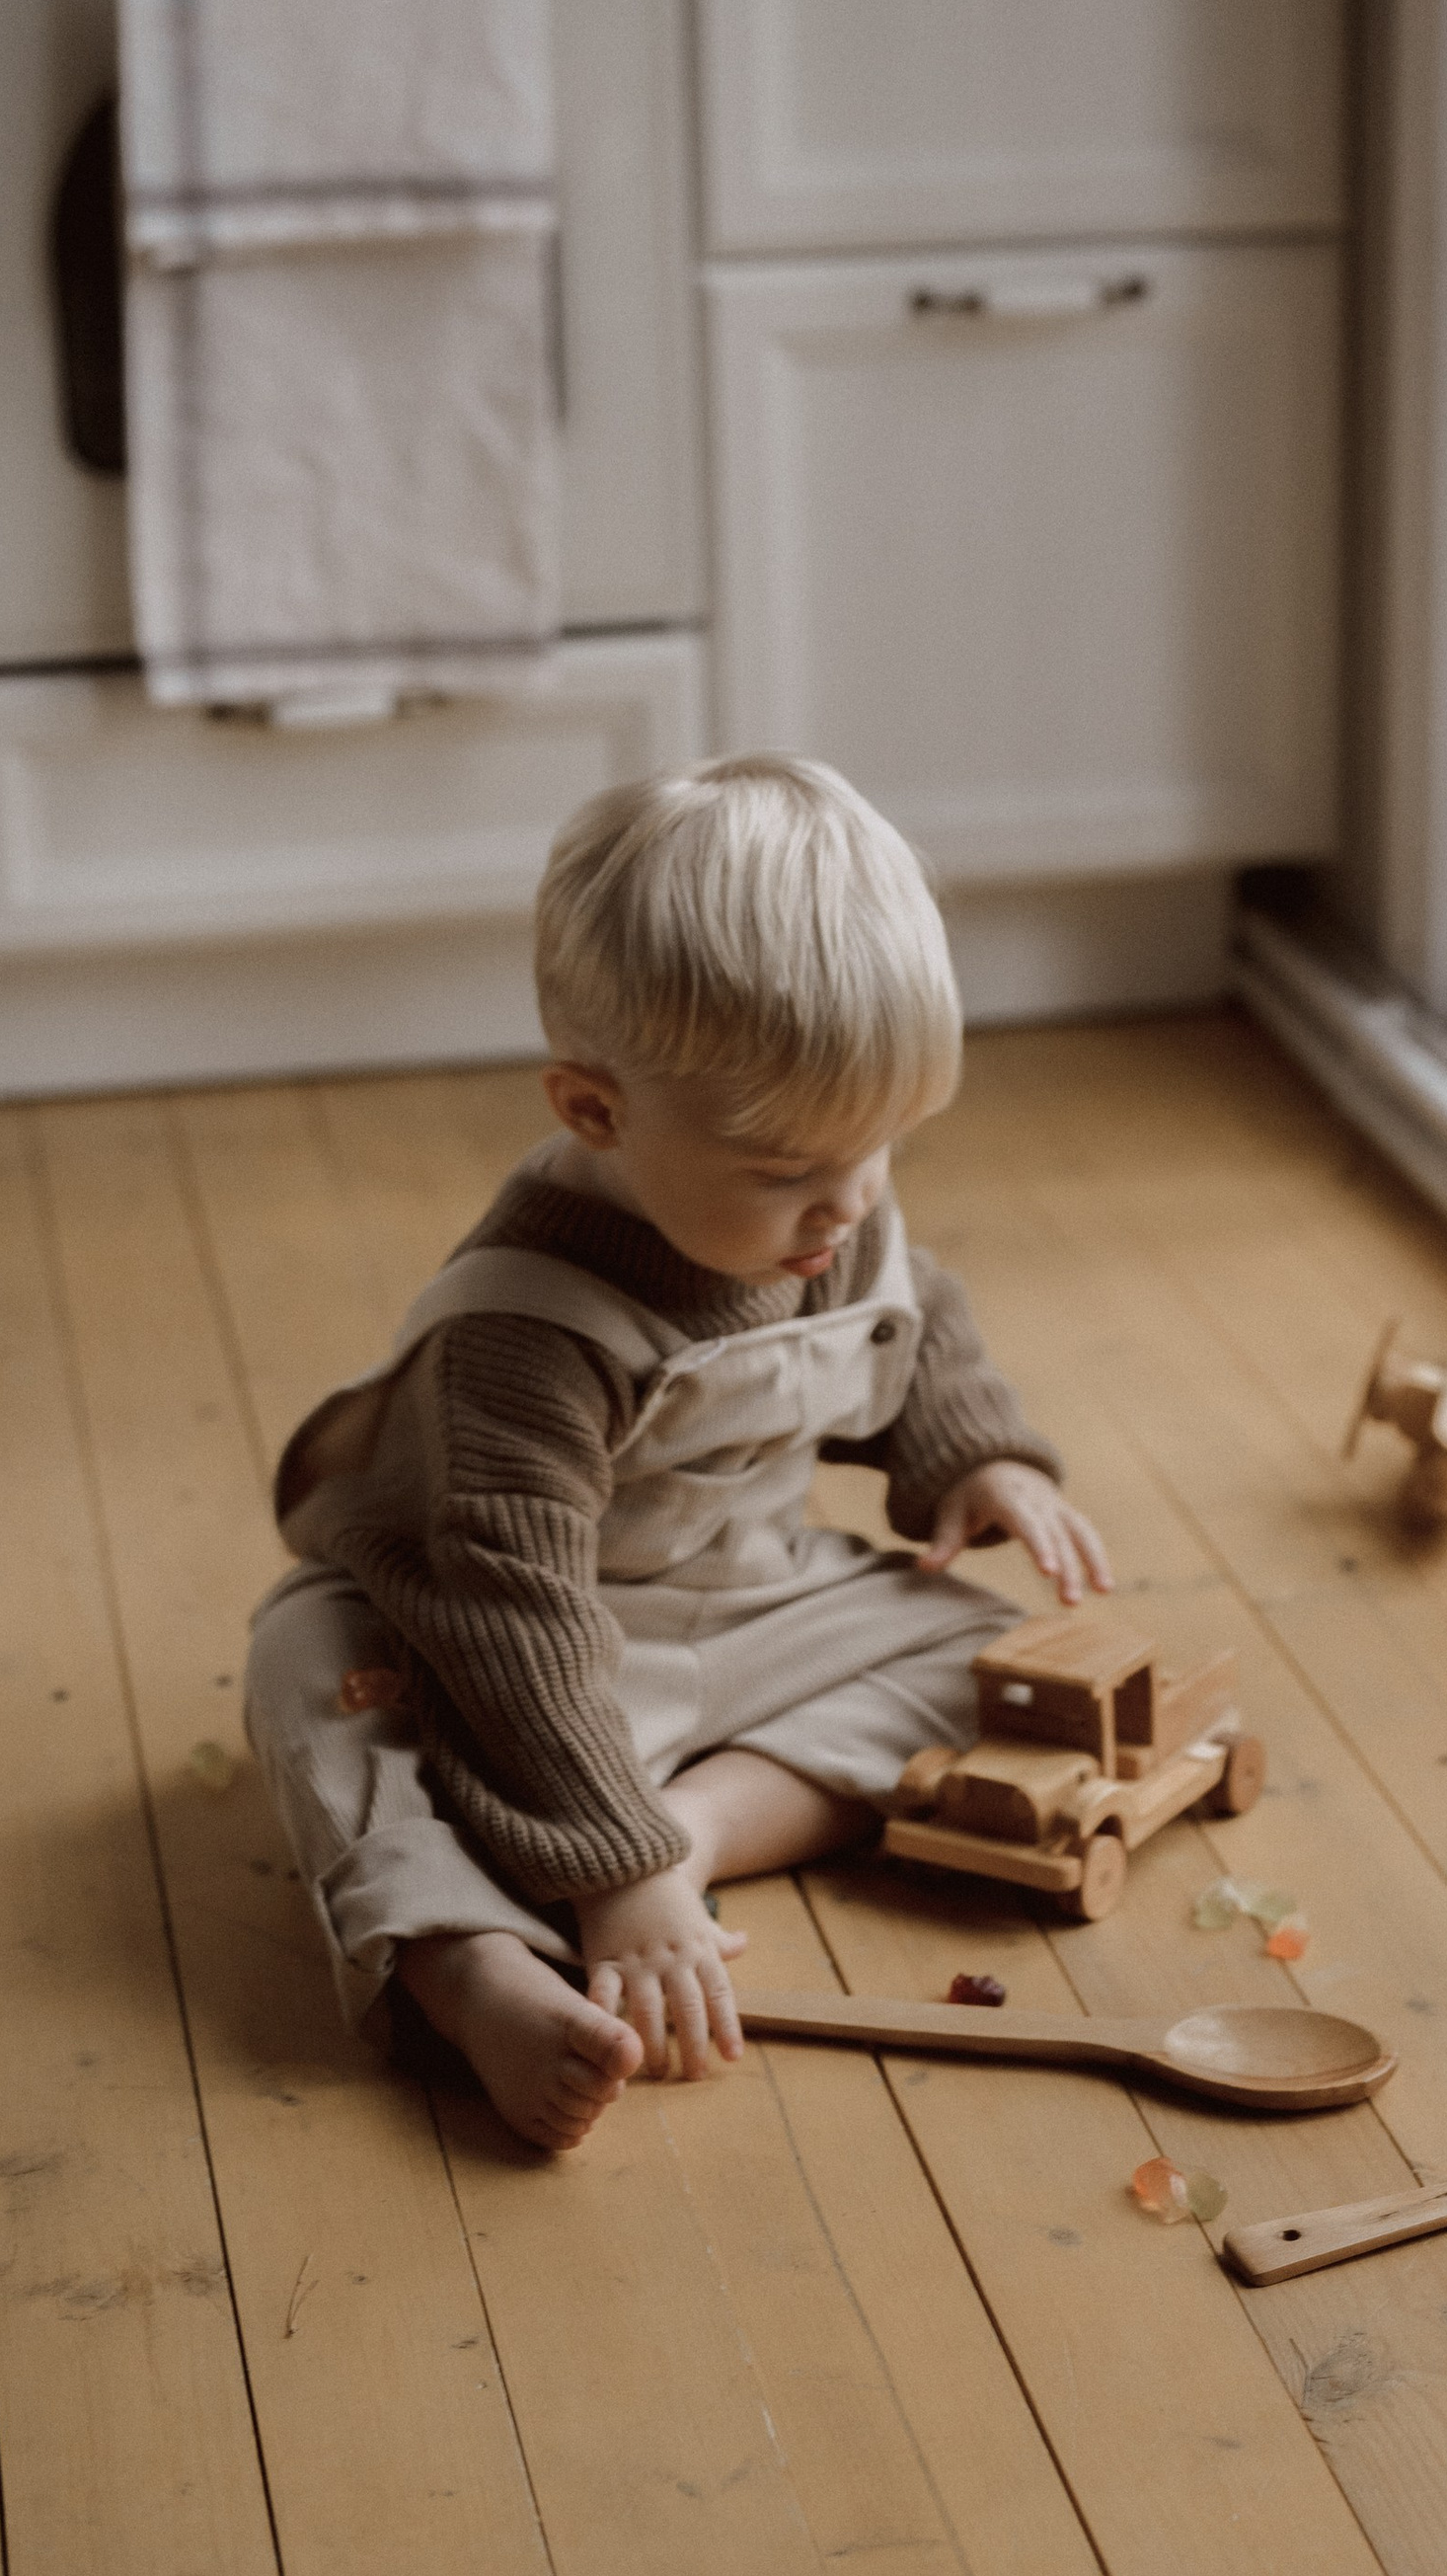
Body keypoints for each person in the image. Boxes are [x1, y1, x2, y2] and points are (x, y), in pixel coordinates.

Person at [244, 753, 1110, 2152]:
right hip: (505, 1641)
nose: (846, 1203)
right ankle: (469, 1969)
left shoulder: (823, 1198)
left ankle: (704, 1821)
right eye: (787, 1174)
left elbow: (915, 1318)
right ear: (594, 1111)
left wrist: (973, 1459)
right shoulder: (522, 1334)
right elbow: (519, 1618)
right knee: (317, 1688)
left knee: (996, 1675)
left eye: (882, 1146)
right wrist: (615, 1875)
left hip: (756, 1599)